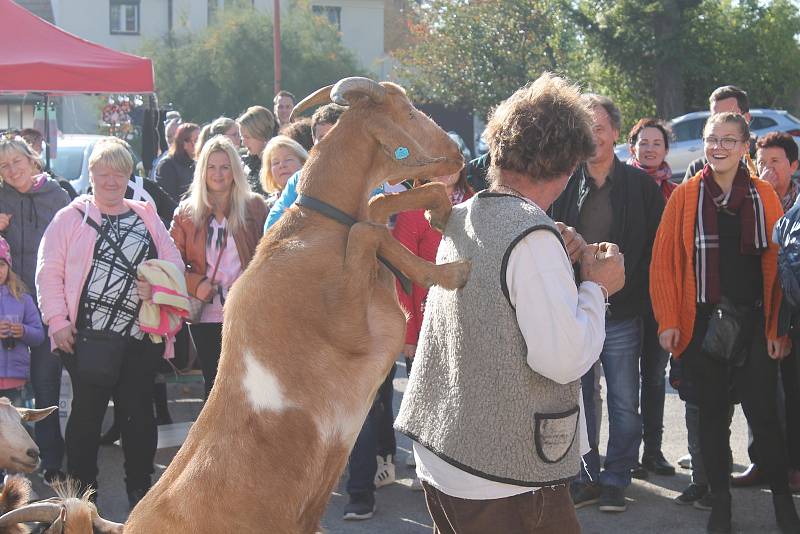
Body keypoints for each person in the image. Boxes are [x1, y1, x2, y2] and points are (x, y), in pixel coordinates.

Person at [394, 72, 624, 533]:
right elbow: (563, 358)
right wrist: (596, 287)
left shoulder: (466, 213)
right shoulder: (530, 236)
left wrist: (555, 256)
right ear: (567, 166)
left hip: (446, 450)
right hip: (502, 473)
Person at [651, 112, 799, 534]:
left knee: (766, 418)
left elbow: (777, 270)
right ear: (703, 143)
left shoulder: (763, 195)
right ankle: (721, 506)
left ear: (745, 147)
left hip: (754, 324)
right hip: (700, 323)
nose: (719, 146)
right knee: (712, 419)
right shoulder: (685, 197)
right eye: (712, 138)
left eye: (729, 140)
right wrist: (668, 320)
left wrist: (776, 329)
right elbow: (665, 262)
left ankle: (784, 504)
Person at [36, 139, 184, 507]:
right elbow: (48, 273)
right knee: (85, 421)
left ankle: (140, 492)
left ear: (129, 177)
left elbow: (174, 263)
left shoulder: (146, 215)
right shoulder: (69, 219)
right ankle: (83, 499)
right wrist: (57, 321)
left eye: (119, 173)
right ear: (91, 176)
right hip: (87, 339)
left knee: (139, 419)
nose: (112, 180)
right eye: (104, 173)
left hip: (140, 339)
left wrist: (158, 286)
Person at [550, 95, 664, 513]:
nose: (593, 136)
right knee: (582, 400)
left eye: (600, 128)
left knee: (622, 399)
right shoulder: (562, 181)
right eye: (586, 128)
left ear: (616, 132)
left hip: (623, 311)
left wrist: (629, 284)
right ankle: (586, 476)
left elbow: (658, 249)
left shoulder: (641, 186)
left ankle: (617, 477)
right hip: (575, 309)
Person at [388, 168, 474, 491]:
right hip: (426, 322)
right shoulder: (412, 212)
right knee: (427, 396)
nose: (445, 172)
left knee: (462, 394)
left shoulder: (474, 203)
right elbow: (401, 274)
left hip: (467, 319)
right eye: (437, 166)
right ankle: (430, 468)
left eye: (451, 163)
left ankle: (461, 463)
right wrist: (408, 335)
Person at [170, 136, 267, 396]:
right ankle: (216, 438)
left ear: (235, 170)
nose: (218, 174)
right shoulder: (186, 213)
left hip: (246, 312)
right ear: (202, 171)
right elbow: (171, 260)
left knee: (248, 386)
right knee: (214, 385)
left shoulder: (255, 207)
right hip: (206, 313)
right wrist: (195, 284)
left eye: (225, 167)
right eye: (211, 167)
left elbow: (270, 255)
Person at [0, 136, 70, 486]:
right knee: (8, 391)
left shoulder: (57, 195)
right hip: (8, 307)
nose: (13, 170)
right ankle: (9, 458)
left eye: (17, 161)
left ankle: (51, 458)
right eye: (4, 165)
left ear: (33, 160)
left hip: (45, 304)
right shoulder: (0, 197)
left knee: (45, 387)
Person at [625, 118, 677, 479]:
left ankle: (653, 451)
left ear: (666, 150)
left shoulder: (676, 192)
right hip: (625, 296)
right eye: (644, 143)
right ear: (632, 148)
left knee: (655, 377)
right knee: (623, 381)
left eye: (656, 143)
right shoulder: (620, 186)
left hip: (660, 297)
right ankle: (624, 454)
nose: (650, 148)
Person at [755, 132, 800, 492]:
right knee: (765, 395)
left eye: (776, 162)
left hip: (791, 315)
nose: (768, 169)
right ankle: (765, 462)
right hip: (763, 313)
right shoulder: (752, 197)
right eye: (763, 162)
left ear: (794, 165)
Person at [264, 104, 346, 231]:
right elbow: (270, 227)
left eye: (335, 136)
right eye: (322, 138)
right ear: (314, 140)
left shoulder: (365, 177)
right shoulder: (299, 179)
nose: (329, 143)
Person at [0, 236, 45, 404]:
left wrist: (24, 331)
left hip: (16, 380)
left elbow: (39, 336)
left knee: (14, 427)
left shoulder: (23, 299)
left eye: (2, 264)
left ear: (9, 267)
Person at [683, 86, 757, 182]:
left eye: (730, 117)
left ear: (746, 118)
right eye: (716, 117)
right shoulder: (698, 169)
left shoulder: (764, 158)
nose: (722, 122)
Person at [259, 136, 308, 211]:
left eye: (288, 159)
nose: (281, 165)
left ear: (303, 163)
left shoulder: (313, 200)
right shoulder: (265, 209)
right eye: (276, 163)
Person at [155, 122, 199, 202]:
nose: (200, 143)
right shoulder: (167, 165)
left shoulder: (196, 164)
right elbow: (168, 199)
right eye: (196, 140)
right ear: (184, 143)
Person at [237, 106, 276, 197]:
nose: (243, 142)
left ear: (261, 134)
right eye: (242, 137)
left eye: (247, 137)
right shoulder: (247, 164)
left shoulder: (277, 163)